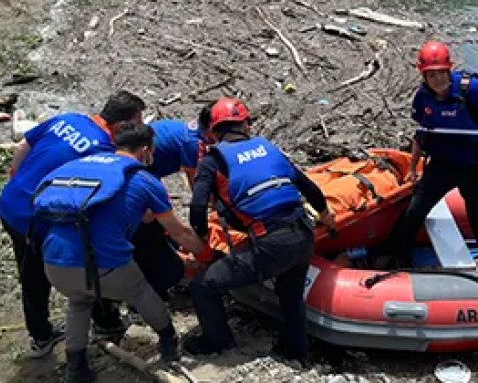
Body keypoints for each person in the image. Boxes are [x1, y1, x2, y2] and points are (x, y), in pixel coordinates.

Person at [35, 123, 206, 383]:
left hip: (54, 261)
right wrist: (207, 255)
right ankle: (169, 343)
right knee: (140, 292)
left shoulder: (85, 164)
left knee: (79, 301)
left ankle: (76, 368)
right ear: (146, 151)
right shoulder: (144, 180)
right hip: (105, 265)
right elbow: (179, 233)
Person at [0, 91, 146, 358]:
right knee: (81, 260)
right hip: (33, 218)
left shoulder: (67, 119)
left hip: (10, 202)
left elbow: (22, 148)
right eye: (136, 122)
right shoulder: (101, 147)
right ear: (122, 125)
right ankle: (99, 324)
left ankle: (43, 334)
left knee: (29, 273)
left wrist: (17, 181)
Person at [184, 98, 333, 364]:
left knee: (203, 285)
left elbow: (197, 205)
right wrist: (326, 217)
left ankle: (217, 341)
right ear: (246, 124)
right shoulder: (267, 147)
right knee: (291, 297)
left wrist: (202, 239)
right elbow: (310, 189)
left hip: (272, 243)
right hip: (303, 233)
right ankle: (295, 353)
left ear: (214, 131)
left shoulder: (213, 159)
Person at [378, 40, 478, 271]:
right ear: (423, 76)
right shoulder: (423, 98)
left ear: (449, 70)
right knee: (415, 210)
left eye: (442, 73)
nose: (438, 80)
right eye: (431, 75)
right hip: (442, 165)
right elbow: (421, 134)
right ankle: (397, 256)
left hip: (476, 165)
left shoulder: (471, 90)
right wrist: (412, 167)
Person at [128, 112, 211, 298]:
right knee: (152, 224)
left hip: (148, 164)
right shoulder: (192, 144)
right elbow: (197, 188)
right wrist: (205, 253)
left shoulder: (192, 131)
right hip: (144, 167)